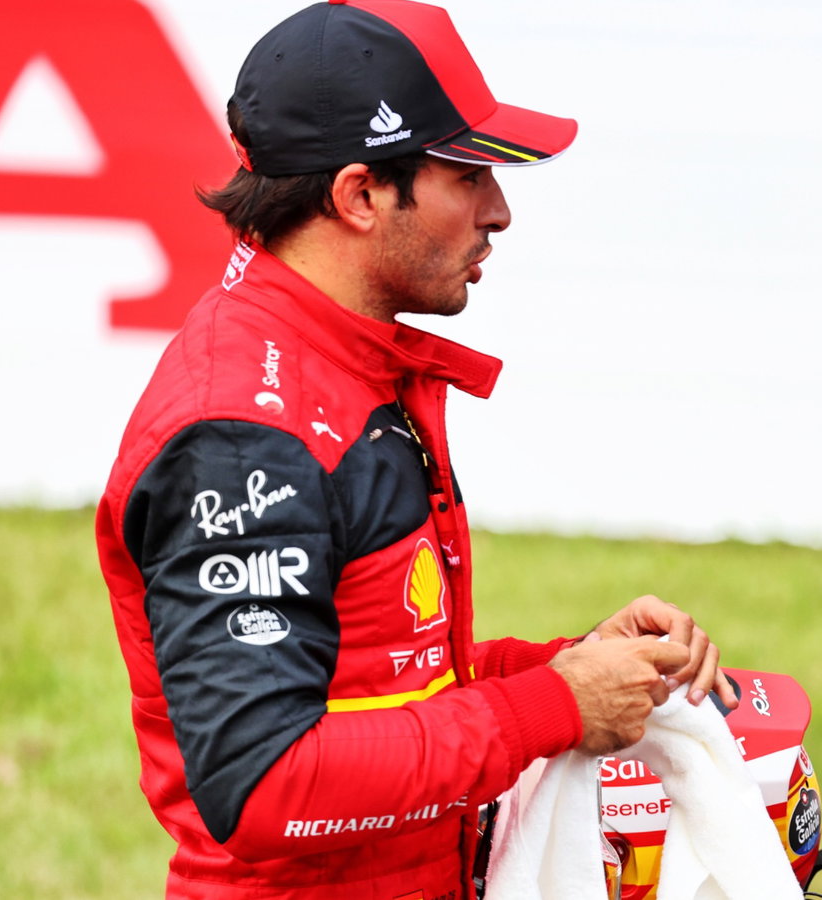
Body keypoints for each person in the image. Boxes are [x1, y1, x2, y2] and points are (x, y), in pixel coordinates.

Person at [95, 2, 736, 897]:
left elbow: (380, 681)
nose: (500, 210)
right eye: (468, 173)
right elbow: (265, 782)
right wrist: (554, 706)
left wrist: (570, 665)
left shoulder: (338, 364)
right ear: (360, 194)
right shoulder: (245, 430)